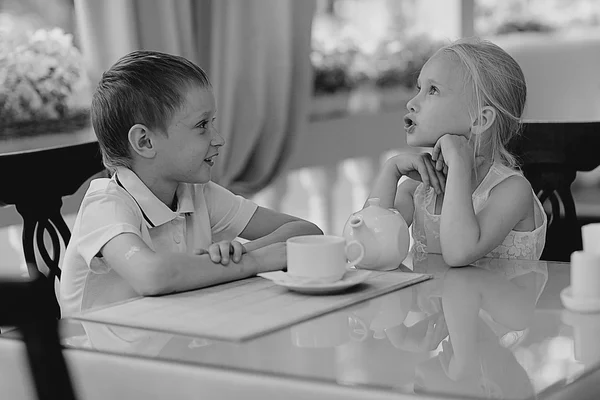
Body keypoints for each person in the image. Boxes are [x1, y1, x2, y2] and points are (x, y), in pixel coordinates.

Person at [60, 50, 322, 317]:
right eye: (202, 125)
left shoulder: (197, 194)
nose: (218, 139)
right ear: (145, 142)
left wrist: (238, 253)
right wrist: (257, 261)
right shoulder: (106, 206)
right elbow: (153, 276)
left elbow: (307, 232)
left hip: (174, 339)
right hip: (96, 355)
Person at [368, 36, 547, 266]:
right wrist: (390, 170)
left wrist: (459, 165)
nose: (411, 102)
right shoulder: (417, 189)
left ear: (480, 119)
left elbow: (459, 253)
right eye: (419, 88)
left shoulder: (511, 191)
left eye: (432, 90)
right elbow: (372, 247)